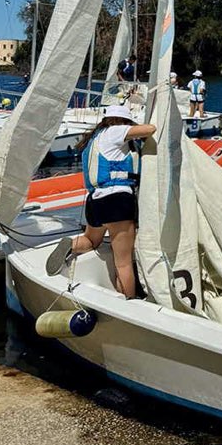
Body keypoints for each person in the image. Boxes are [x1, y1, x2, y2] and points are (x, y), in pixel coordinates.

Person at [46, 105, 156, 299]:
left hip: (95, 201)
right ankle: (129, 302)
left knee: (92, 241)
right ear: (124, 121)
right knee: (123, 262)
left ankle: (72, 244)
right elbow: (150, 129)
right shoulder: (116, 131)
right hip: (117, 200)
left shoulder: (95, 138)